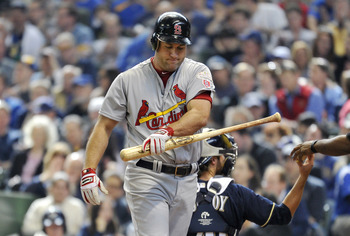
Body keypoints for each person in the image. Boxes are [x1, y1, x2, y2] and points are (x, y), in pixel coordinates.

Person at [80, 12, 214, 236]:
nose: (174, 54)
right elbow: (104, 126)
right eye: (168, 46)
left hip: (187, 176)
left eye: (180, 48)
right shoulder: (128, 80)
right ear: (155, 42)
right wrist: (89, 170)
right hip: (147, 174)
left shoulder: (197, 72)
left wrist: (166, 132)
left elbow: (200, 115)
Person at [187, 129, 315, 236]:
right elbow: (283, 215)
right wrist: (303, 176)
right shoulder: (237, 193)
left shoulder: (179, 190)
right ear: (213, 160)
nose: (227, 159)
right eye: (224, 156)